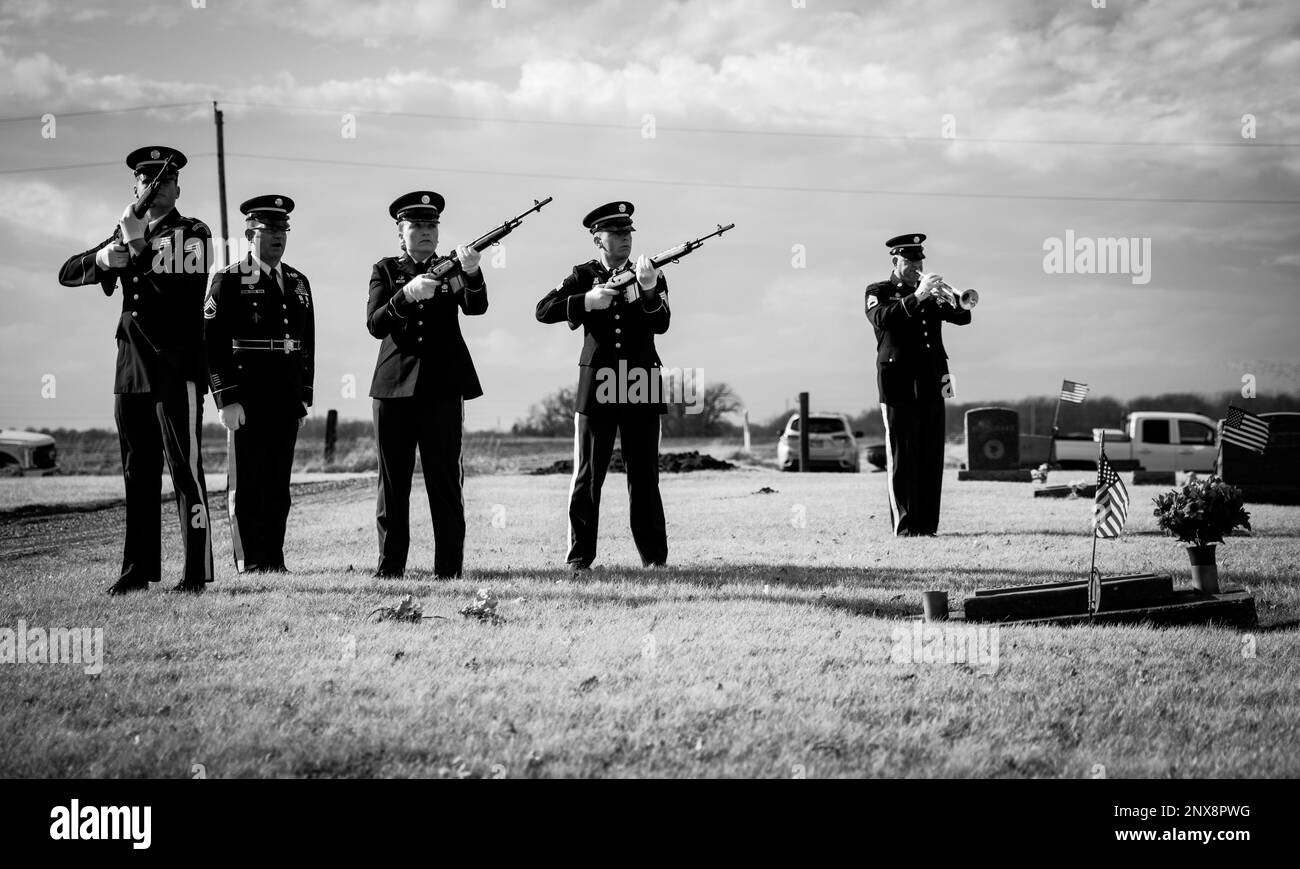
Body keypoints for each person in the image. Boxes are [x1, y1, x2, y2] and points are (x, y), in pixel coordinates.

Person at [57, 146, 214, 594]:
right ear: (135, 188)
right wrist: (104, 260)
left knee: (185, 468)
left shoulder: (194, 231)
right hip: (132, 367)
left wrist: (139, 245)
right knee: (137, 470)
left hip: (175, 364)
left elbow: (180, 293)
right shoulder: (125, 229)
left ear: (177, 187)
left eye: (164, 180)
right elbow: (67, 272)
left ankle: (196, 569)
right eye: (147, 180)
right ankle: (137, 568)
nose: (155, 187)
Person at [535, 201, 669, 571]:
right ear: (598, 238)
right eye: (616, 234)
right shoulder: (582, 275)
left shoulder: (651, 274)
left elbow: (662, 324)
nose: (624, 240)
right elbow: (543, 310)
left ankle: (654, 558)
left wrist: (647, 290)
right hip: (597, 384)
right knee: (589, 475)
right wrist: (584, 302)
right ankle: (580, 558)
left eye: (628, 233)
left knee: (644, 476)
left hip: (642, 381)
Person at [366, 191, 487, 579]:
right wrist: (405, 295)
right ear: (401, 233)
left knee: (445, 481)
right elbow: (375, 324)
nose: (425, 232)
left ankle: (449, 569)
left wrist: (471, 272)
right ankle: (390, 568)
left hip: (441, 386)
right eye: (416, 225)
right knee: (393, 483)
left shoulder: (452, 267)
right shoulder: (385, 269)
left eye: (431, 225)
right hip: (393, 387)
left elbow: (477, 307)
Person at [204, 195, 315, 572]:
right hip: (247, 396)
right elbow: (212, 344)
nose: (278, 237)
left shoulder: (298, 281)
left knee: (278, 487)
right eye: (269, 231)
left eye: (283, 230)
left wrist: (303, 396)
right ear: (250, 233)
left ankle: (274, 558)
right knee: (248, 484)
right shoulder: (229, 280)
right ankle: (250, 561)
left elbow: (306, 343)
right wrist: (225, 398)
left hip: (285, 397)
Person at [865, 233, 971, 536]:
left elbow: (962, 319)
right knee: (902, 451)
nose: (916, 266)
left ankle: (927, 524)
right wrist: (918, 296)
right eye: (911, 262)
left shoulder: (931, 294)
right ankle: (906, 523)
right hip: (897, 381)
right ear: (895, 261)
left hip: (935, 378)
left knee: (931, 450)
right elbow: (882, 319)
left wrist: (957, 299)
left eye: (919, 261)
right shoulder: (879, 290)